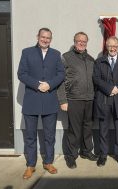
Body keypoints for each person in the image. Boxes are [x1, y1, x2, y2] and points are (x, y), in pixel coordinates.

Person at [17, 28, 65, 179]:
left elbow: (61, 74)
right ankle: (31, 165)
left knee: (49, 135)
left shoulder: (56, 54)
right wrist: (37, 85)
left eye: (48, 38)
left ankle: (48, 162)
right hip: (31, 100)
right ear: (38, 37)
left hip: (49, 100)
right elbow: (22, 74)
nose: (45, 40)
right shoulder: (27, 52)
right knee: (30, 136)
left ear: (51, 39)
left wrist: (49, 84)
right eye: (43, 37)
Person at [57, 32, 97, 169]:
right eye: (79, 40)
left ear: (87, 42)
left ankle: (86, 151)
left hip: (90, 99)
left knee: (87, 128)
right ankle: (71, 156)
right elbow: (60, 81)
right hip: (74, 99)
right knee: (74, 130)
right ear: (74, 41)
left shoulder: (91, 59)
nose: (81, 43)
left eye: (84, 41)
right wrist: (63, 100)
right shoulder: (66, 57)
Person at [93, 36, 118, 167]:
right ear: (106, 46)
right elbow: (96, 79)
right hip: (104, 100)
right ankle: (103, 155)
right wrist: (110, 89)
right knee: (103, 129)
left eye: (115, 45)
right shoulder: (99, 61)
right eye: (110, 45)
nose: (112, 48)